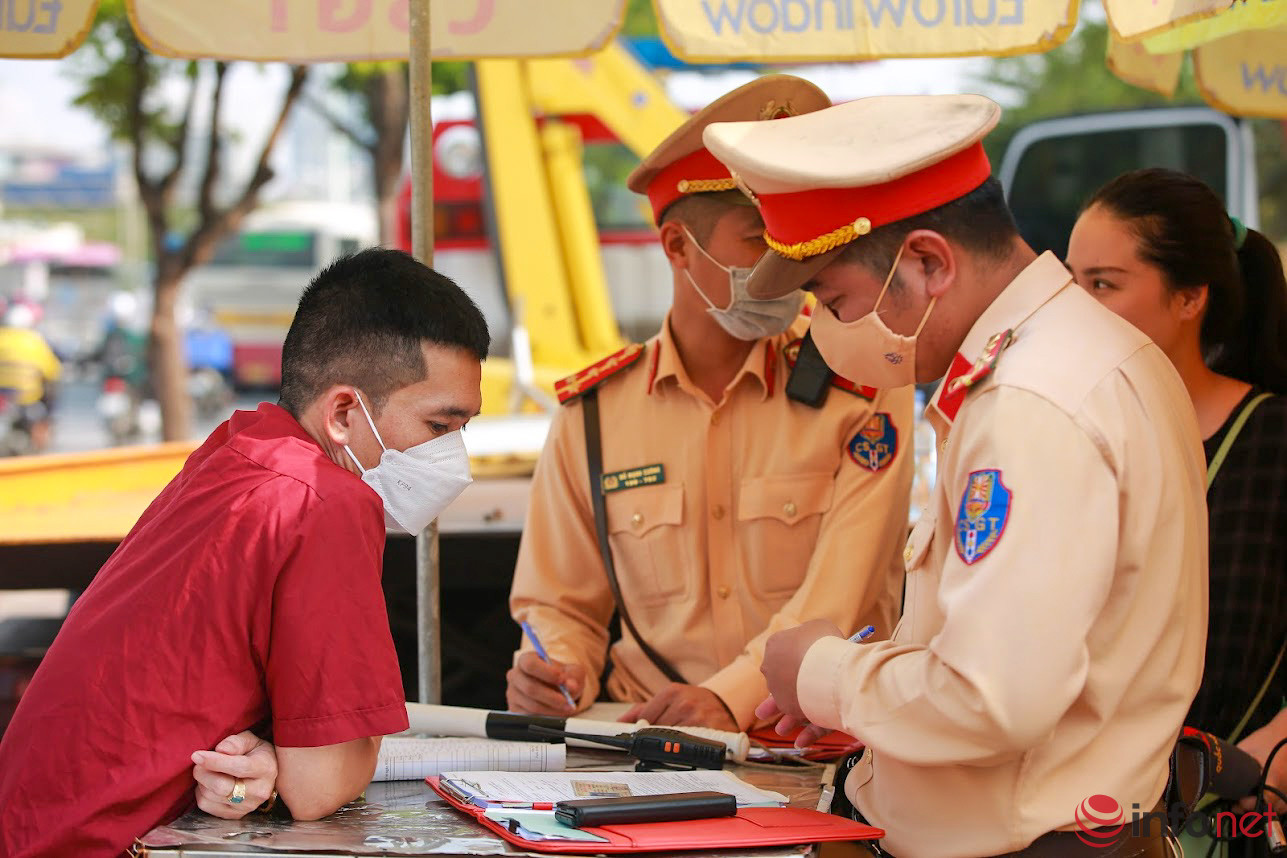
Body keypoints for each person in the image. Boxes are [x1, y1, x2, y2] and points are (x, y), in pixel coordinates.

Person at [703, 95, 1208, 856]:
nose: (826, 330)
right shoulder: (1085, 353)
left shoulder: (1027, 400)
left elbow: (991, 698)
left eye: (834, 300)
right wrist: (869, 693)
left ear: (929, 263)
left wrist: (819, 672)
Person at [0, 249, 488, 857]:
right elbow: (319, 786)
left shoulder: (242, 446)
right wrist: (288, 764)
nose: (452, 456)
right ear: (342, 412)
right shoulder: (323, 501)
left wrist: (272, 760)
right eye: (439, 427)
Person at [507, 76, 915, 732]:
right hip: (648, 743)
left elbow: (841, 596)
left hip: (814, 741)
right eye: (759, 238)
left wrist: (727, 698)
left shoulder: (864, 386)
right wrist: (556, 670)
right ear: (677, 247)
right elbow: (560, 605)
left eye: (793, 237)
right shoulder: (593, 415)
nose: (785, 261)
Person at [1066, 168, 1286, 818]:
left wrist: (1272, 755)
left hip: (1232, 806)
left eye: (1102, 284)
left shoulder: (1270, 437)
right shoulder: (1068, 433)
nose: (1074, 308)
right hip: (1089, 808)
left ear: (1189, 298)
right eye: (1070, 282)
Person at [0, 301, 62, 453]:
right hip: (27, 397)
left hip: (4, 397)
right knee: (48, 405)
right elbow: (52, 371)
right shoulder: (35, 341)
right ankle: (40, 441)